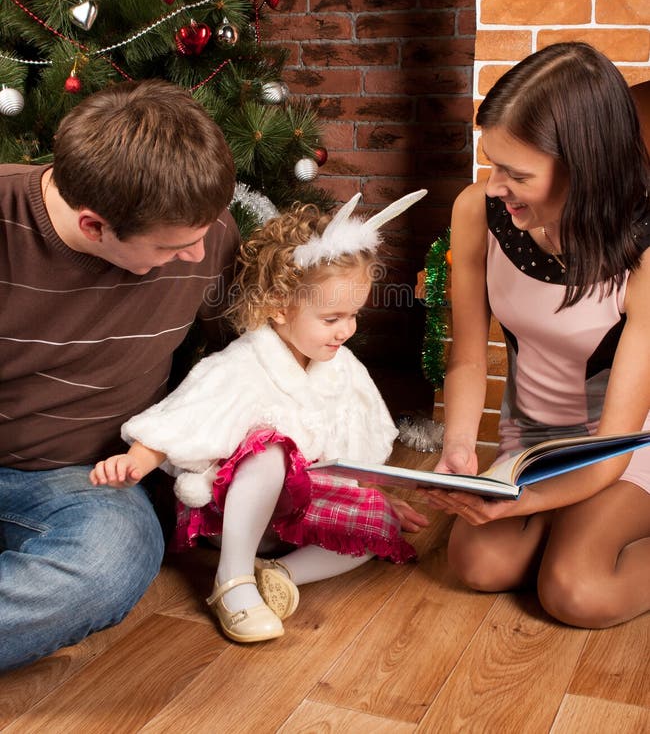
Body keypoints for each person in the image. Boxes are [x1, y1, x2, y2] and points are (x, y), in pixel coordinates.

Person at [91, 192, 430, 644]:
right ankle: (231, 579)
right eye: (332, 317)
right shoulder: (242, 363)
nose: (345, 330)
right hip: (237, 516)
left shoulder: (344, 368)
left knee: (376, 525)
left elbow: (358, 438)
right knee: (270, 450)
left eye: (353, 316)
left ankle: (279, 575)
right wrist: (136, 461)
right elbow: (184, 418)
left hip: (300, 514)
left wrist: (366, 496)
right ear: (278, 305)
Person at [0, 79, 240, 672]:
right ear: (93, 227)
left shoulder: (203, 232)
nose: (196, 253)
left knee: (111, 563)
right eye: (172, 246)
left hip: (80, 480)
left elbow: (245, 366)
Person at [426, 42, 650, 628]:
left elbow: (613, 446)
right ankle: (560, 522)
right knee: (476, 564)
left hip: (622, 453)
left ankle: (577, 529)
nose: (495, 184)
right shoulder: (478, 211)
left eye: (516, 173)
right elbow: (470, 358)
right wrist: (457, 447)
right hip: (532, 444)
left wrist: (522, 503)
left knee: (576, 592)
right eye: (492, 163)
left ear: (584, 168)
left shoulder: (645, 254)